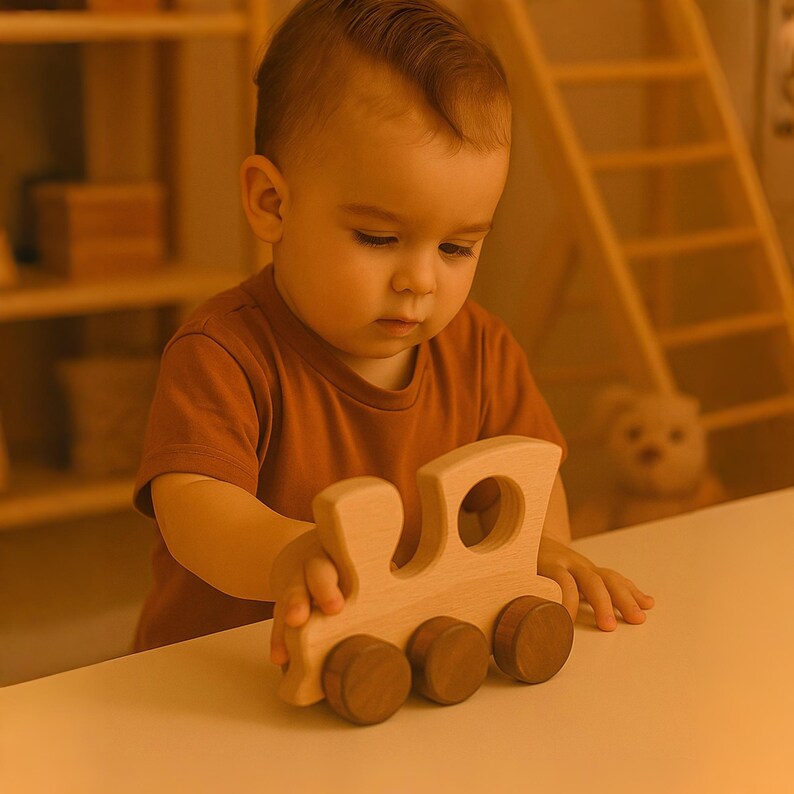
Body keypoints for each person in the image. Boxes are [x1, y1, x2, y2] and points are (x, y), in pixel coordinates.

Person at [132, 0, 654, 664]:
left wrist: (538, 547)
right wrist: (287, 551)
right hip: (221, 680)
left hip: (393, 652)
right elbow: (195, 510)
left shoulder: (481, 350)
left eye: (457, 248)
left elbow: (530, 476)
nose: (421, 281)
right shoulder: (223, 353)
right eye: (379, 237)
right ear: (272, 203)